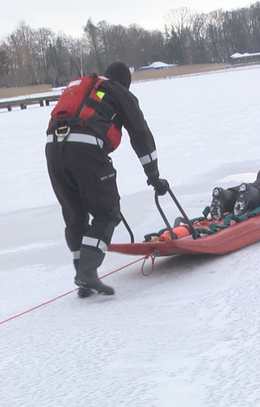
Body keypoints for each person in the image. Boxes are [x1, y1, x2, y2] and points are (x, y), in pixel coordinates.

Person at [45, 62, 169, 298]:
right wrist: (154, 176)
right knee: (108, 211)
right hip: (86, 150)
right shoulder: (120, 92)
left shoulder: (86, 86)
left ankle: (83, 279)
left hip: (53, 149)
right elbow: (140, 134)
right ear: (125, 83)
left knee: (75, 215)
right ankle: (88, 272)